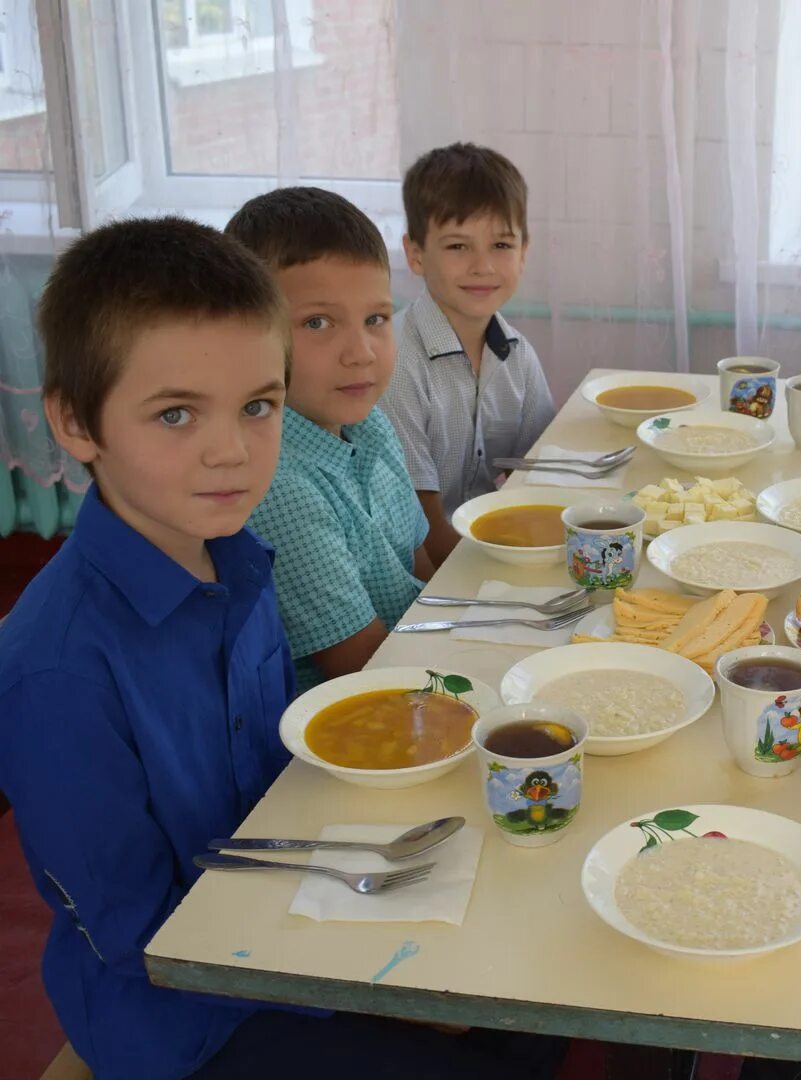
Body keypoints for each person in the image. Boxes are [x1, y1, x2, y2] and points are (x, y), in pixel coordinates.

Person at [0, 216, 296, 1078]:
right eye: (175, 414)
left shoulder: (237, 559)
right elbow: (146, 942)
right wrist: (358, 981)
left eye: (259, 406)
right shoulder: (56, 672)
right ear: (75, 422)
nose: (232, 450)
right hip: (182, 1023)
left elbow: (279, 787)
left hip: (286, 922)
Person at [227, 186, 432, 691]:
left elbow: (423, 568)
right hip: (354, 717)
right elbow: (363, 671)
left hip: (412, 654)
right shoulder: (280, 486)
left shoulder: (371, 424)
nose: (360, 352)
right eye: (318, 323)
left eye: (376, 319)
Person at [381, 142, 556, 566]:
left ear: (524, 251)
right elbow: (423, 527)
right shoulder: (396, 362)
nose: (483, 266)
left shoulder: (517, 354)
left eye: (501, 245)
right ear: (416, 254)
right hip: (428, 574)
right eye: (458, 247)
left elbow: (541, 469)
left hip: (489, 548)